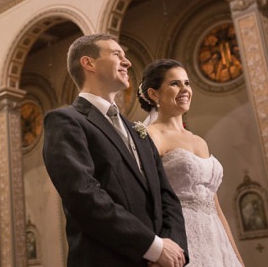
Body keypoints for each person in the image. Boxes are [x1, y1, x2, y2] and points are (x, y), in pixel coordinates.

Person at [42, 34, 189, 267]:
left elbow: (166, 194)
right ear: (88, 63)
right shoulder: (66, 121)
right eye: (116, 55)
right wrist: (152, 247)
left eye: (126, 56)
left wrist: (172, 248)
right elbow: (83, 195)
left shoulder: (137, 129)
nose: (127, 62)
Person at [137, 59, 244, 267]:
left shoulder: (199, 141)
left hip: (216, 238)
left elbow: (215, 205)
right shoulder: (151, 135)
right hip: (180, 235)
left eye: (186, 83)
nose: (184, 89)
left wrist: (235, 254)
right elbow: (145, 198)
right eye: (174, 83)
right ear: (153, 94)